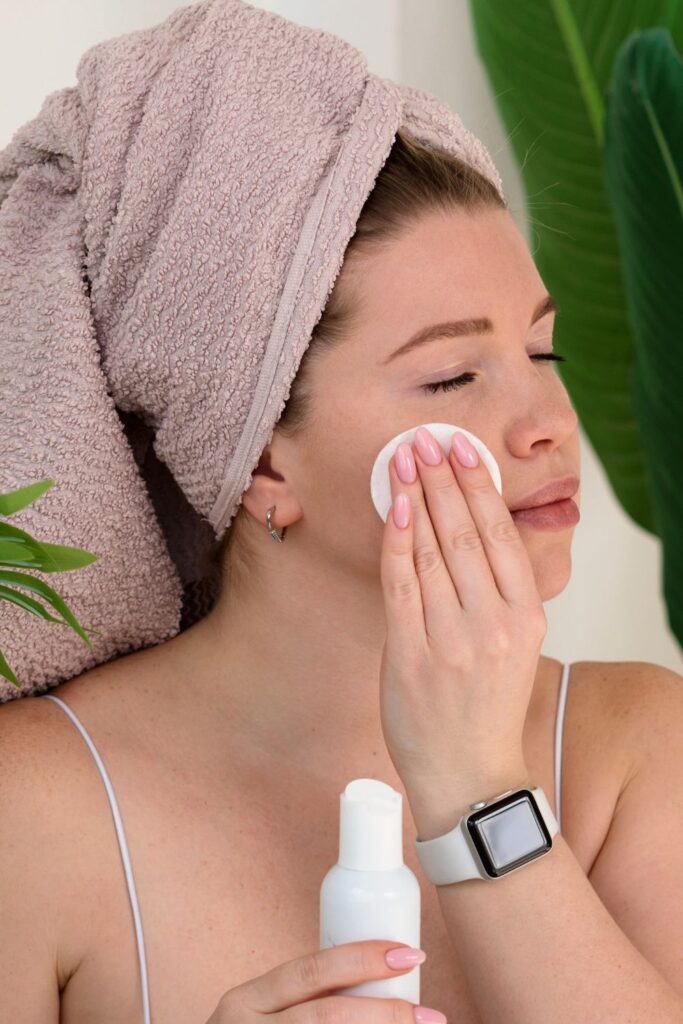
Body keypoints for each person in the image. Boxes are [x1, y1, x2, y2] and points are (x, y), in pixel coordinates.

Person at [1, 6, 682, 1024]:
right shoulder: (34, 814)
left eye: (541, 353)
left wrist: (472, 794)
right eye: (453, 373)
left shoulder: (633, 747)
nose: (545, 421)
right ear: (262, 458)